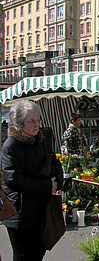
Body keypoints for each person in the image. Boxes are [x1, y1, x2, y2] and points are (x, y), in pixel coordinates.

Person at [1, 100, 63, 260]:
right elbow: (13, 178)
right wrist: (46, 186)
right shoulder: (11, 145)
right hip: (20, 212)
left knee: (38, 252)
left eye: (38, 120)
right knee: (23, 255)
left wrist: (58, 180)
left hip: (40, 209)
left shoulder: (40, 140)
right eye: (31, 121)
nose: (36, 125)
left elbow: (54, 161)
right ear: (20, 124)